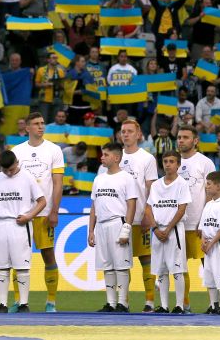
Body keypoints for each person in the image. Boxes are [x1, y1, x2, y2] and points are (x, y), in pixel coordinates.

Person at [10, 112, 65, 312]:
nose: (41, 126)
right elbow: (11, 181)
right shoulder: (17, 151)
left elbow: (58, 183)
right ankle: (18, 301)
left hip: (44, 212)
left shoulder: (54, 150)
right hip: (22, 214)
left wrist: (54, 211)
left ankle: (51, 302)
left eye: (42, 123)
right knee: (18, 258)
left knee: (48, 255)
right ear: (27, 128)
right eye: (36, 123)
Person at [106, 118, 159, 312]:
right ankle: (123, 302)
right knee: (120, 264)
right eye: (123, 131)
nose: (126, 134)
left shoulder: (147, 158)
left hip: (139, 218)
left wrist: (148, 214)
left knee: (146, 260)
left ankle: (150, 302)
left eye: (130, 131)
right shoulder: (114, 158)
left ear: (138, 134)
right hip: (118, 220)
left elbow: (151, 188)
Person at [0, 150, 46, 313]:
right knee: (2, 266)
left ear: (17, 162)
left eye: (11, 169)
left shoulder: (27, 177)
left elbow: (42, 201)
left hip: (21, 225)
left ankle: (24, 304)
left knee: (22, 266)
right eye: (5, 170)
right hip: (2, 225)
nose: (9, 173)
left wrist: (29, 216)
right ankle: (2, 304)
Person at [88, 141, 139, 313]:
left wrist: (127, 228)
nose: (102, 157)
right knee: (107, 265)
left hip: (118, 222)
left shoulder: (126, 178)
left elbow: (131, 204)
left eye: (106, 155)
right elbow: (94, 206)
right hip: (101, 225)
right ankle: (110, 303)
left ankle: (123, 303)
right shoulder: (98, 179)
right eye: (102, 154)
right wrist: (91, 230)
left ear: (116, 158)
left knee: (121, 265)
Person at [143, 150, 191, 314]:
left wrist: (168, 229)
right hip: (157, 231)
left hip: (174, 230)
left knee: (177, 269)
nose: (168, 164)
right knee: (161, 270)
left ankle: (179, 305)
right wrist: (155, 228)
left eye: (171, 161)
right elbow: (148, 208)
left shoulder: (182, 184)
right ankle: (164, 305)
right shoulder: (156, 185)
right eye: (165, 161)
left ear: (178, 164)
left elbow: (182, 209)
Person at [175, 125, 217, 311]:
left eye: (185, 137)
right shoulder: (173, 162)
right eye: (179, 137)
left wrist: (204, 220)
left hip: (199, 224)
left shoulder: (205, 163)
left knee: (208, 264)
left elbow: (212, 193)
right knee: (180, 266)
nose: (181, 140)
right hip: (178, 224)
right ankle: (184, 305)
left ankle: (214, 304)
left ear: (195, 141)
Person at [199, 170, 220, 315]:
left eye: (209, 184)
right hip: (209, 245)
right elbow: (202, 226)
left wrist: (211, 243)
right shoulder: (208, 205)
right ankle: (213, 305)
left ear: (218, 186)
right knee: (210, 276)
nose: (206, 186)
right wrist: (203, 241)